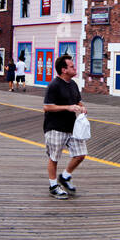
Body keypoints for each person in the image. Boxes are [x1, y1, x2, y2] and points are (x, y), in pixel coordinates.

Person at [43, 54, 86, 199]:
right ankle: (53, 186)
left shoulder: (73, 84)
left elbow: (78, 101)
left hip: (72, 127)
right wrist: (68, 107)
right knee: (54, 157)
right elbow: (47, 107)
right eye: (72, 66)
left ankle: (65, 176)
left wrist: (82, 107)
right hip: (55, 127)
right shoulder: (54, 85)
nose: (75, 68)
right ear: (64, 70)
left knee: (80, 154)